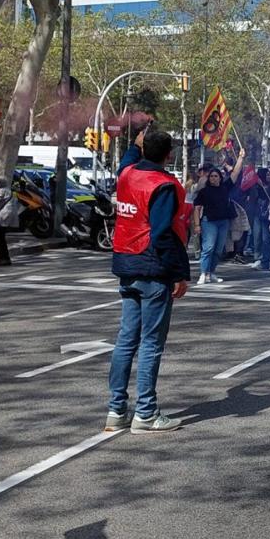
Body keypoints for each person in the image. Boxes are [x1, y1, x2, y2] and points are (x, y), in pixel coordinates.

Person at [106, 130, 192, 434]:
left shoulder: (127, 175)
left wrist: (135, 143)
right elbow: (162, 233)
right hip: (152, 267)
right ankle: (145, 412)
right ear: (169, 155)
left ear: (143, 150)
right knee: (151, 343)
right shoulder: (163, 185)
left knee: (126, 340)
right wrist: (179, 273)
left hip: (126, 263)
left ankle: (117, 410)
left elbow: (127, 160)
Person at [191, 158, 240, 285]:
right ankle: (203, 273)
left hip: (223, 222)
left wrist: (241, 158)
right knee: (208, 248)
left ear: (220, 177)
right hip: (209, 222)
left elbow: (235, 173)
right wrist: (197, 225)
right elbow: (197, 209)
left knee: (218, 249)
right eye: (211, 176)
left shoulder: (225, 187)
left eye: (216, 176)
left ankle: (211, 273)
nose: (213, 178)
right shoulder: (203, 191)